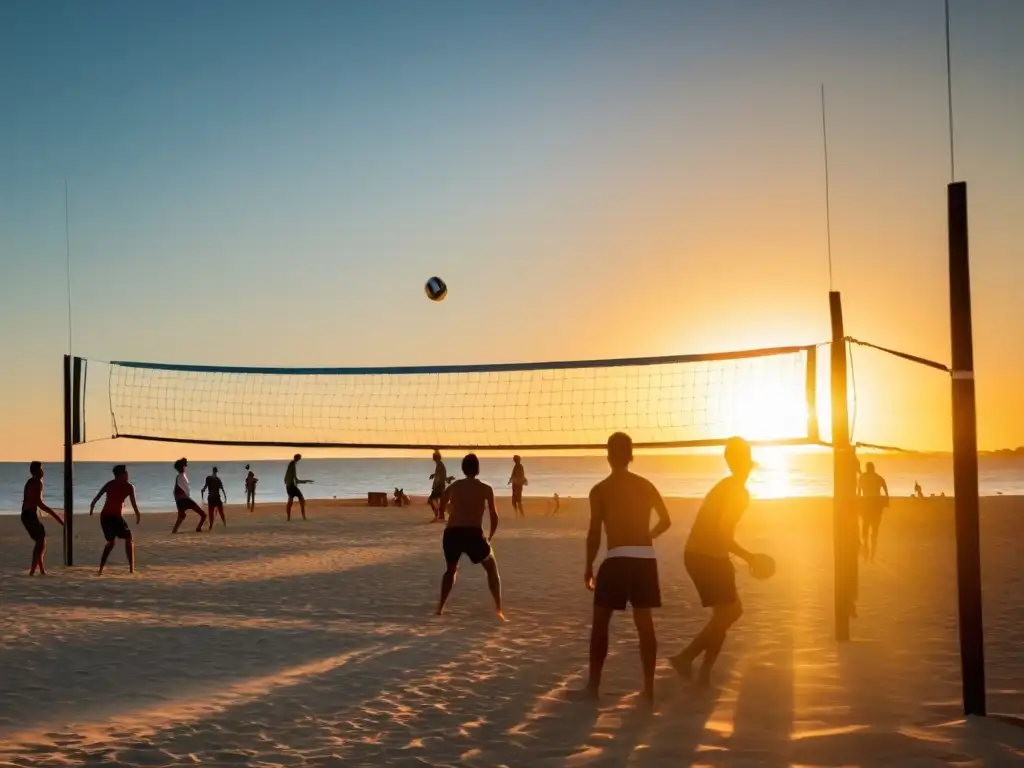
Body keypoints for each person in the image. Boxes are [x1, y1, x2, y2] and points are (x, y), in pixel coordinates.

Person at [572, 432, 671, 706]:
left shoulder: (600, 490)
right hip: (644, 558)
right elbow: (666, 521)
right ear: (631, 456)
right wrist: (649, 534)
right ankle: (649, 691)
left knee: (601, 624)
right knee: (645, 625)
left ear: (608, 456)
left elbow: (594, 534)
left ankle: (593, 687)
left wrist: (588, 567)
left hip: (616, 558)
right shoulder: (646, 485)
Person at [669, 436, 769, 688]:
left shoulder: (728, 485)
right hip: (706, 556)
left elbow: (719, 530)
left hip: (701, 554)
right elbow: (723, 532)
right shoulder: (736, 490)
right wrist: (749, 557)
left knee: (725, 614)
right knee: (729, 612)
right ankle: (687, 658)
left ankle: (702, 673)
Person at [437, 453, 504, 619]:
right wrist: (490, 537)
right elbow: (494, 516)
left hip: (452, 533)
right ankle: (498, 608)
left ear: (463, 469)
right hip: (473, 533)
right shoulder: (486, 488)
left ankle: (440, 607)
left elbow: (442, 503)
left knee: (450, 570)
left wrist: (445, 514)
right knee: (491, 568)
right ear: (478, 469)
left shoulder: (455, 486)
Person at [89, 464, 141, 574]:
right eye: (125, 473)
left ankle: (102, 569)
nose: (127, 475)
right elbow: (98, 497)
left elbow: (97, 497)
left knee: (115, 542)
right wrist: (137, 514)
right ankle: (130, 569)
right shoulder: (122, 486)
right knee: (122, 540)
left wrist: (92, 507)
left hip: (107, 517)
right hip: (111, 517)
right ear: (120, 475)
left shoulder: (120, 485)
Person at [22, 461, 64, 576]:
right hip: (29, 514)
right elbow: (39, 504)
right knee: (40, 541)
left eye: (42, 469)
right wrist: (58, 518)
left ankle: (41, 570)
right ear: (35, 471)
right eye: (40, 469)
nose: (42, 471)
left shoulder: (31, 482)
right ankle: (32, 571)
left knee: (41, 541)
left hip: (27, 514)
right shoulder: (35, 483)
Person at [858, 461, 890, 562]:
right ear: (873, 468)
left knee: (865, 532)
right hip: (876, 505)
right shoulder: (878, 477)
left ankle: (867, 553)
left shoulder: (862, 478)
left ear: (867, 468)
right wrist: (886, 499)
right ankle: (872, 554)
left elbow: (858, 492)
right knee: (874, 532)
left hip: (866, 505)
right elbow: (885, 489)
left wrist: (859, 503)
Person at [171, 458, 207, 533]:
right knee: (203, 515)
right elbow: (177, 491)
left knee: (182, 516)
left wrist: (177, 501)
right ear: (181, 467)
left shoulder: (181, 477)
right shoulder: (181, 476)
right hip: (185, 500)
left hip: (181, 501)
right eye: (184, 466)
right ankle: (198, 528)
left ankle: (174, 531)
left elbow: (175, 492)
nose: (185, 467)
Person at [284, 454, 312, 521]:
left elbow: (291, 477)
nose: (299, 460)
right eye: (299, 458)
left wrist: (302, 481)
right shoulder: (292, 464)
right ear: (297, 458)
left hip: (290, 486)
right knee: (296, 501)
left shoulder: (292, 464)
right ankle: (303, 517)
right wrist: (305, 481)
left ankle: (289, 518)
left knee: (295, 501)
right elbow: (295, 478)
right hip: (290, 486)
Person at [428, 450, 452, 521]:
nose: (433, 458)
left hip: (439, 486)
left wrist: (444, 480)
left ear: (435, 458)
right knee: (439, 501)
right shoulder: (439, 464)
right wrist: (434, 475)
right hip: (439, 485)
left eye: (433, 457)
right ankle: (440, 515)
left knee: (432, 500)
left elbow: (442, 475)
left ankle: (438, 516)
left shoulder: (440, 465)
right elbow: (440, 474)